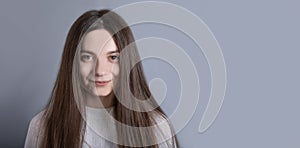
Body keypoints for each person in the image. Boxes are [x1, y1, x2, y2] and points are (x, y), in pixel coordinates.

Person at [24, 9, 179, 148]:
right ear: (72, 63)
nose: (100, 71)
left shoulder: (156, 127)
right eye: (87, 57)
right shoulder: (42, 127)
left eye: (112, 57)